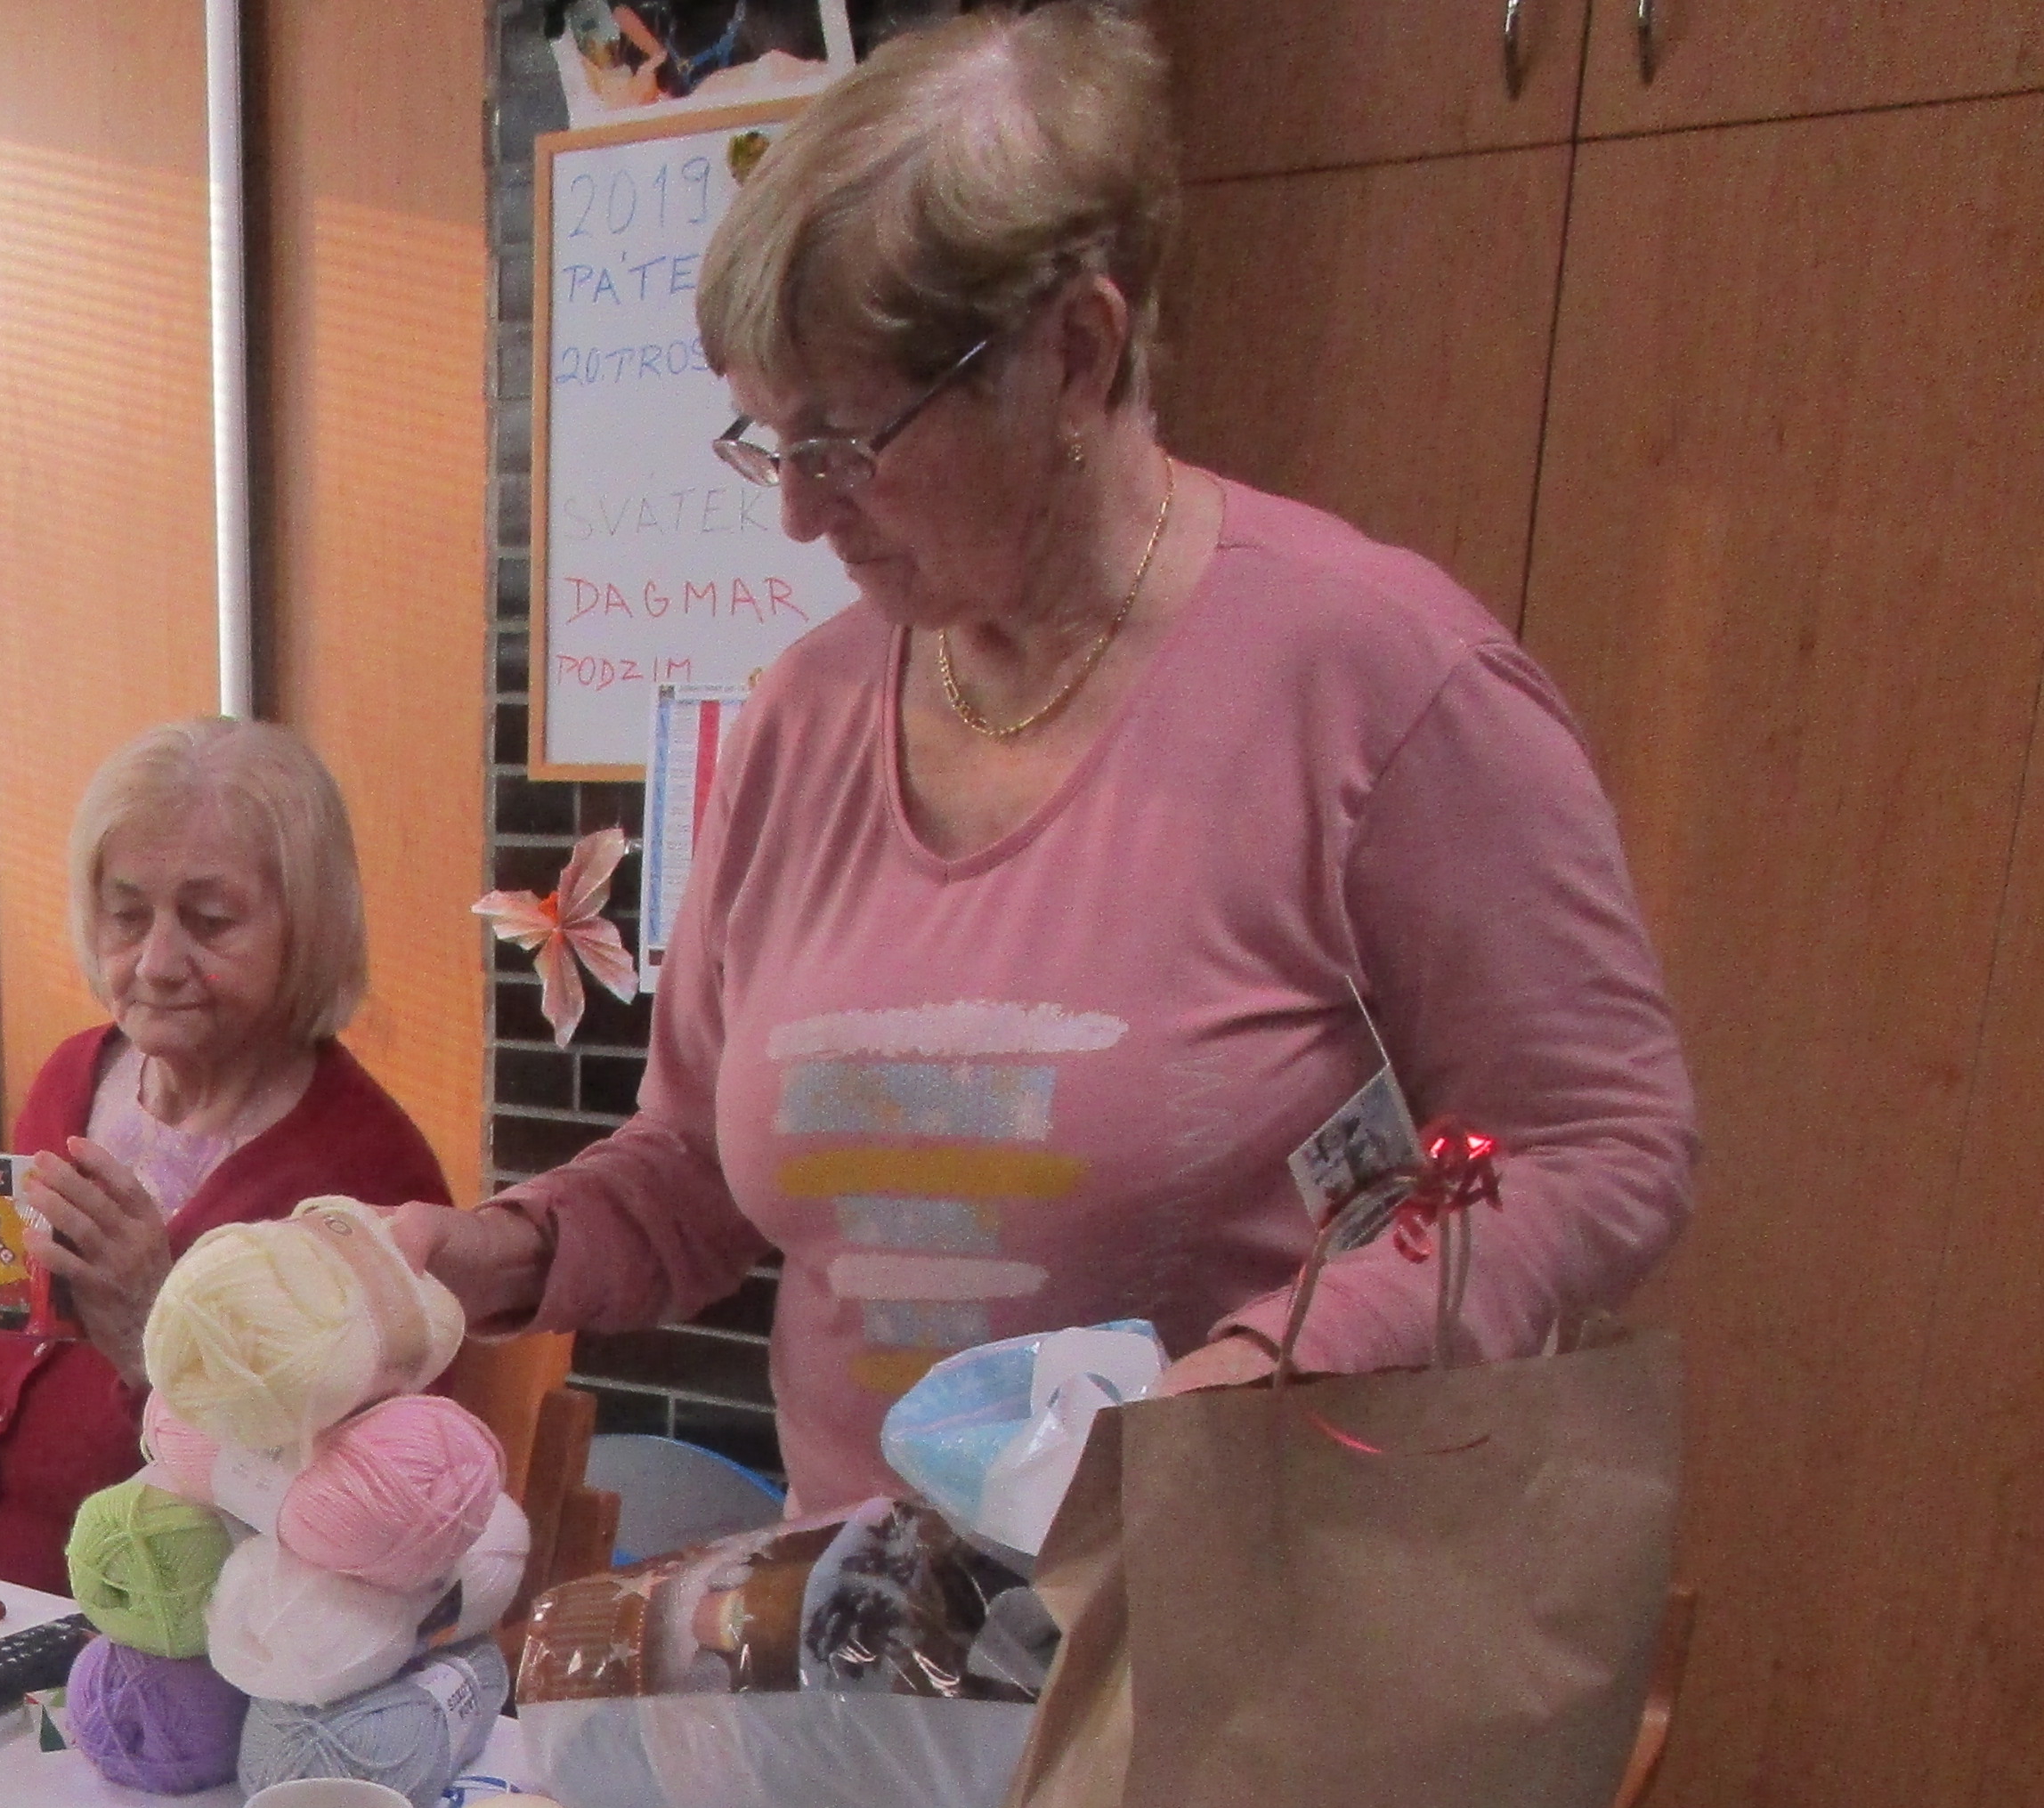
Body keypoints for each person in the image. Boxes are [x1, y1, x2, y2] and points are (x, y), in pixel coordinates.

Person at [402, 7, 1693, 1504]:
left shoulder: (1379, 683)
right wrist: (485, 1254)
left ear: (1077, 350)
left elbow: (1600, 1144)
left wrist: (1264, 1374)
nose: (799, 515)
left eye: (846, 441)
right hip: (871, 1611)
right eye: (770, 442)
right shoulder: (803, 718)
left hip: (1225, 1596)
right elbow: (693, 1166)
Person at [0, 718, 451, 1594]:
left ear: (306, 928)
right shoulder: (73, 1079)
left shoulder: (369, 1185)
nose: (156, 963)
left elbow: (358, 1524)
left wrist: (151, 1334)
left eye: (210, 922)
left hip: (128, 1647)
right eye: (127, 917)